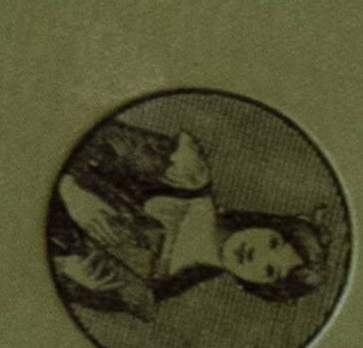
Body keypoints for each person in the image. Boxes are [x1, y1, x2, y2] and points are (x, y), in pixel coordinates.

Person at [50, 118, 327, 316]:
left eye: (269, 271)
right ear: (265, 225)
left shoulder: (144, 292)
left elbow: (53, 292)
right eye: (273, 242)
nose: (257, 254)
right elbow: (80, 134)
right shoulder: (185, 175)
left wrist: (67, 269)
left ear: (256, 286)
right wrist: (71, 190)